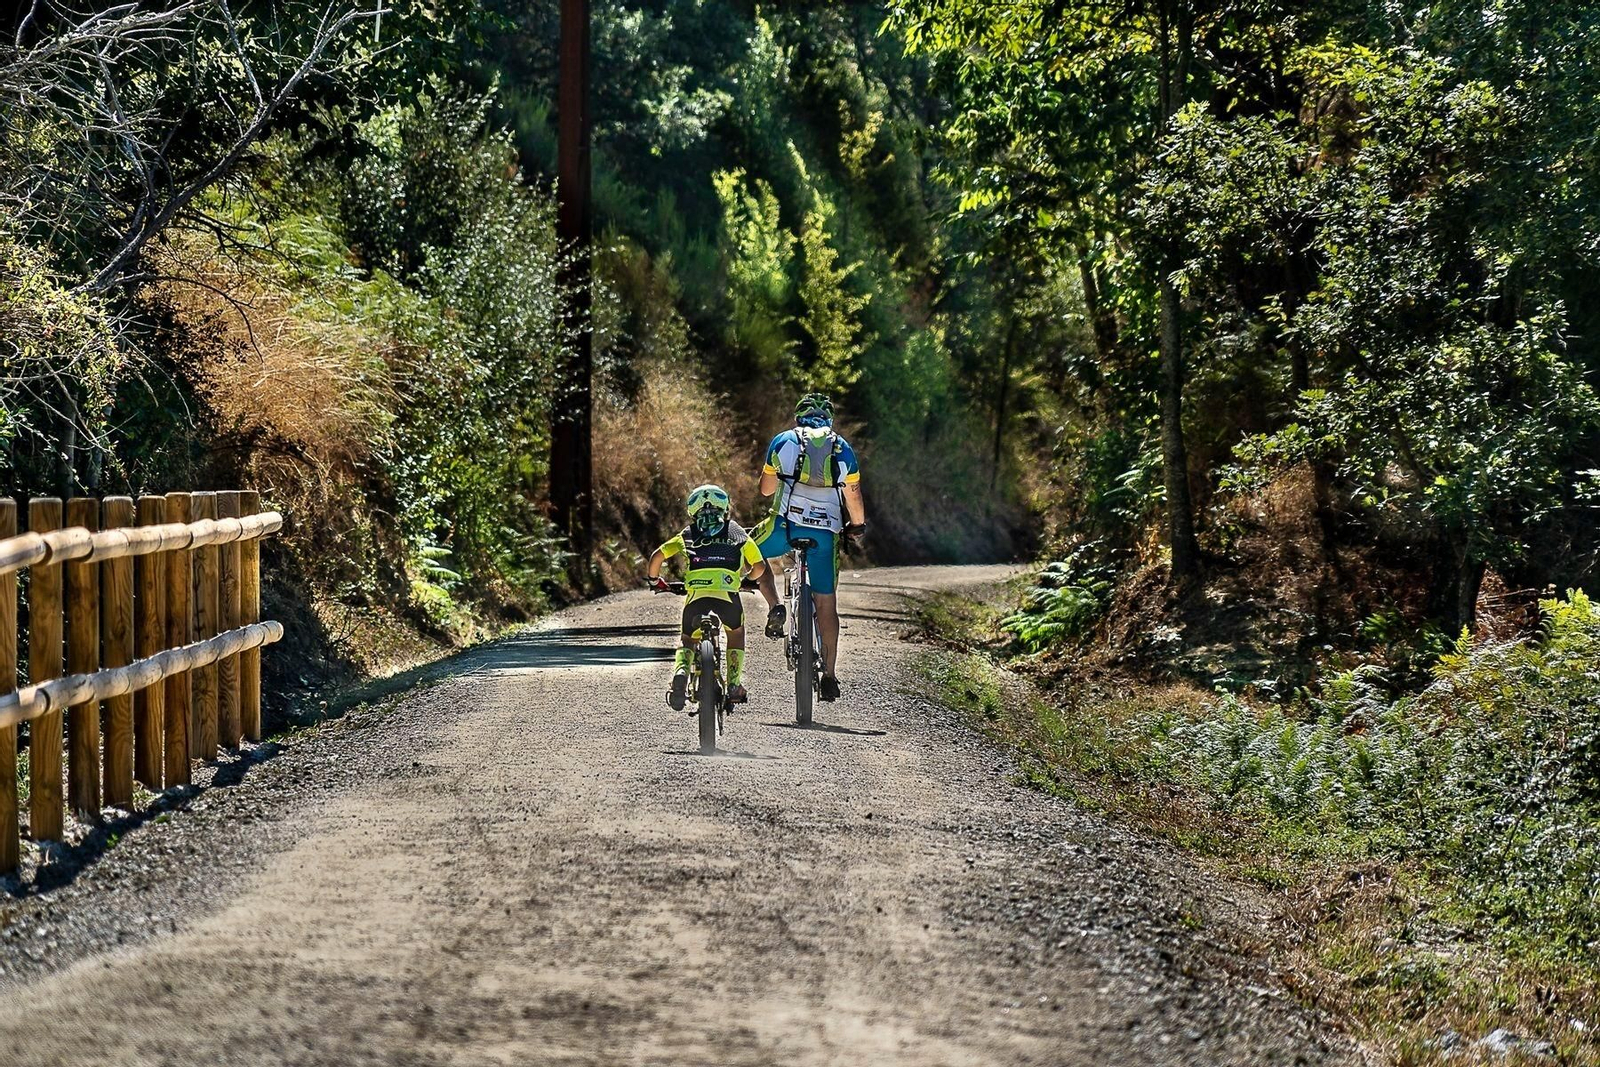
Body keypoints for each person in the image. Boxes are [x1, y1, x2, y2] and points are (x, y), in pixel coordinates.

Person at [751, 392, 867, 701]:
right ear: (829, 420)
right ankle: (828, 675)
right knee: (826, 602)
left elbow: (765, 490)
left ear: (798, 417)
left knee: (750, 551)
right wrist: (857, 524)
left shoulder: (783, 441)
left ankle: (775, 605)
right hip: (825, 534)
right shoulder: (842, 449)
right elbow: (852, 497)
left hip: (784, 527)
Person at [646, 484, 767, 710]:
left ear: (692, 511)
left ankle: (681, 673)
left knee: (688, 640)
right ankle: (733, 684)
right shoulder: (737, 532)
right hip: (727, 596)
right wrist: (746, 579)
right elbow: (759, 566)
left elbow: (657, 556)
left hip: (696, 596)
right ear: (725, 508)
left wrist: (655, 581)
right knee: (736, 633)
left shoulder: (688, 534)